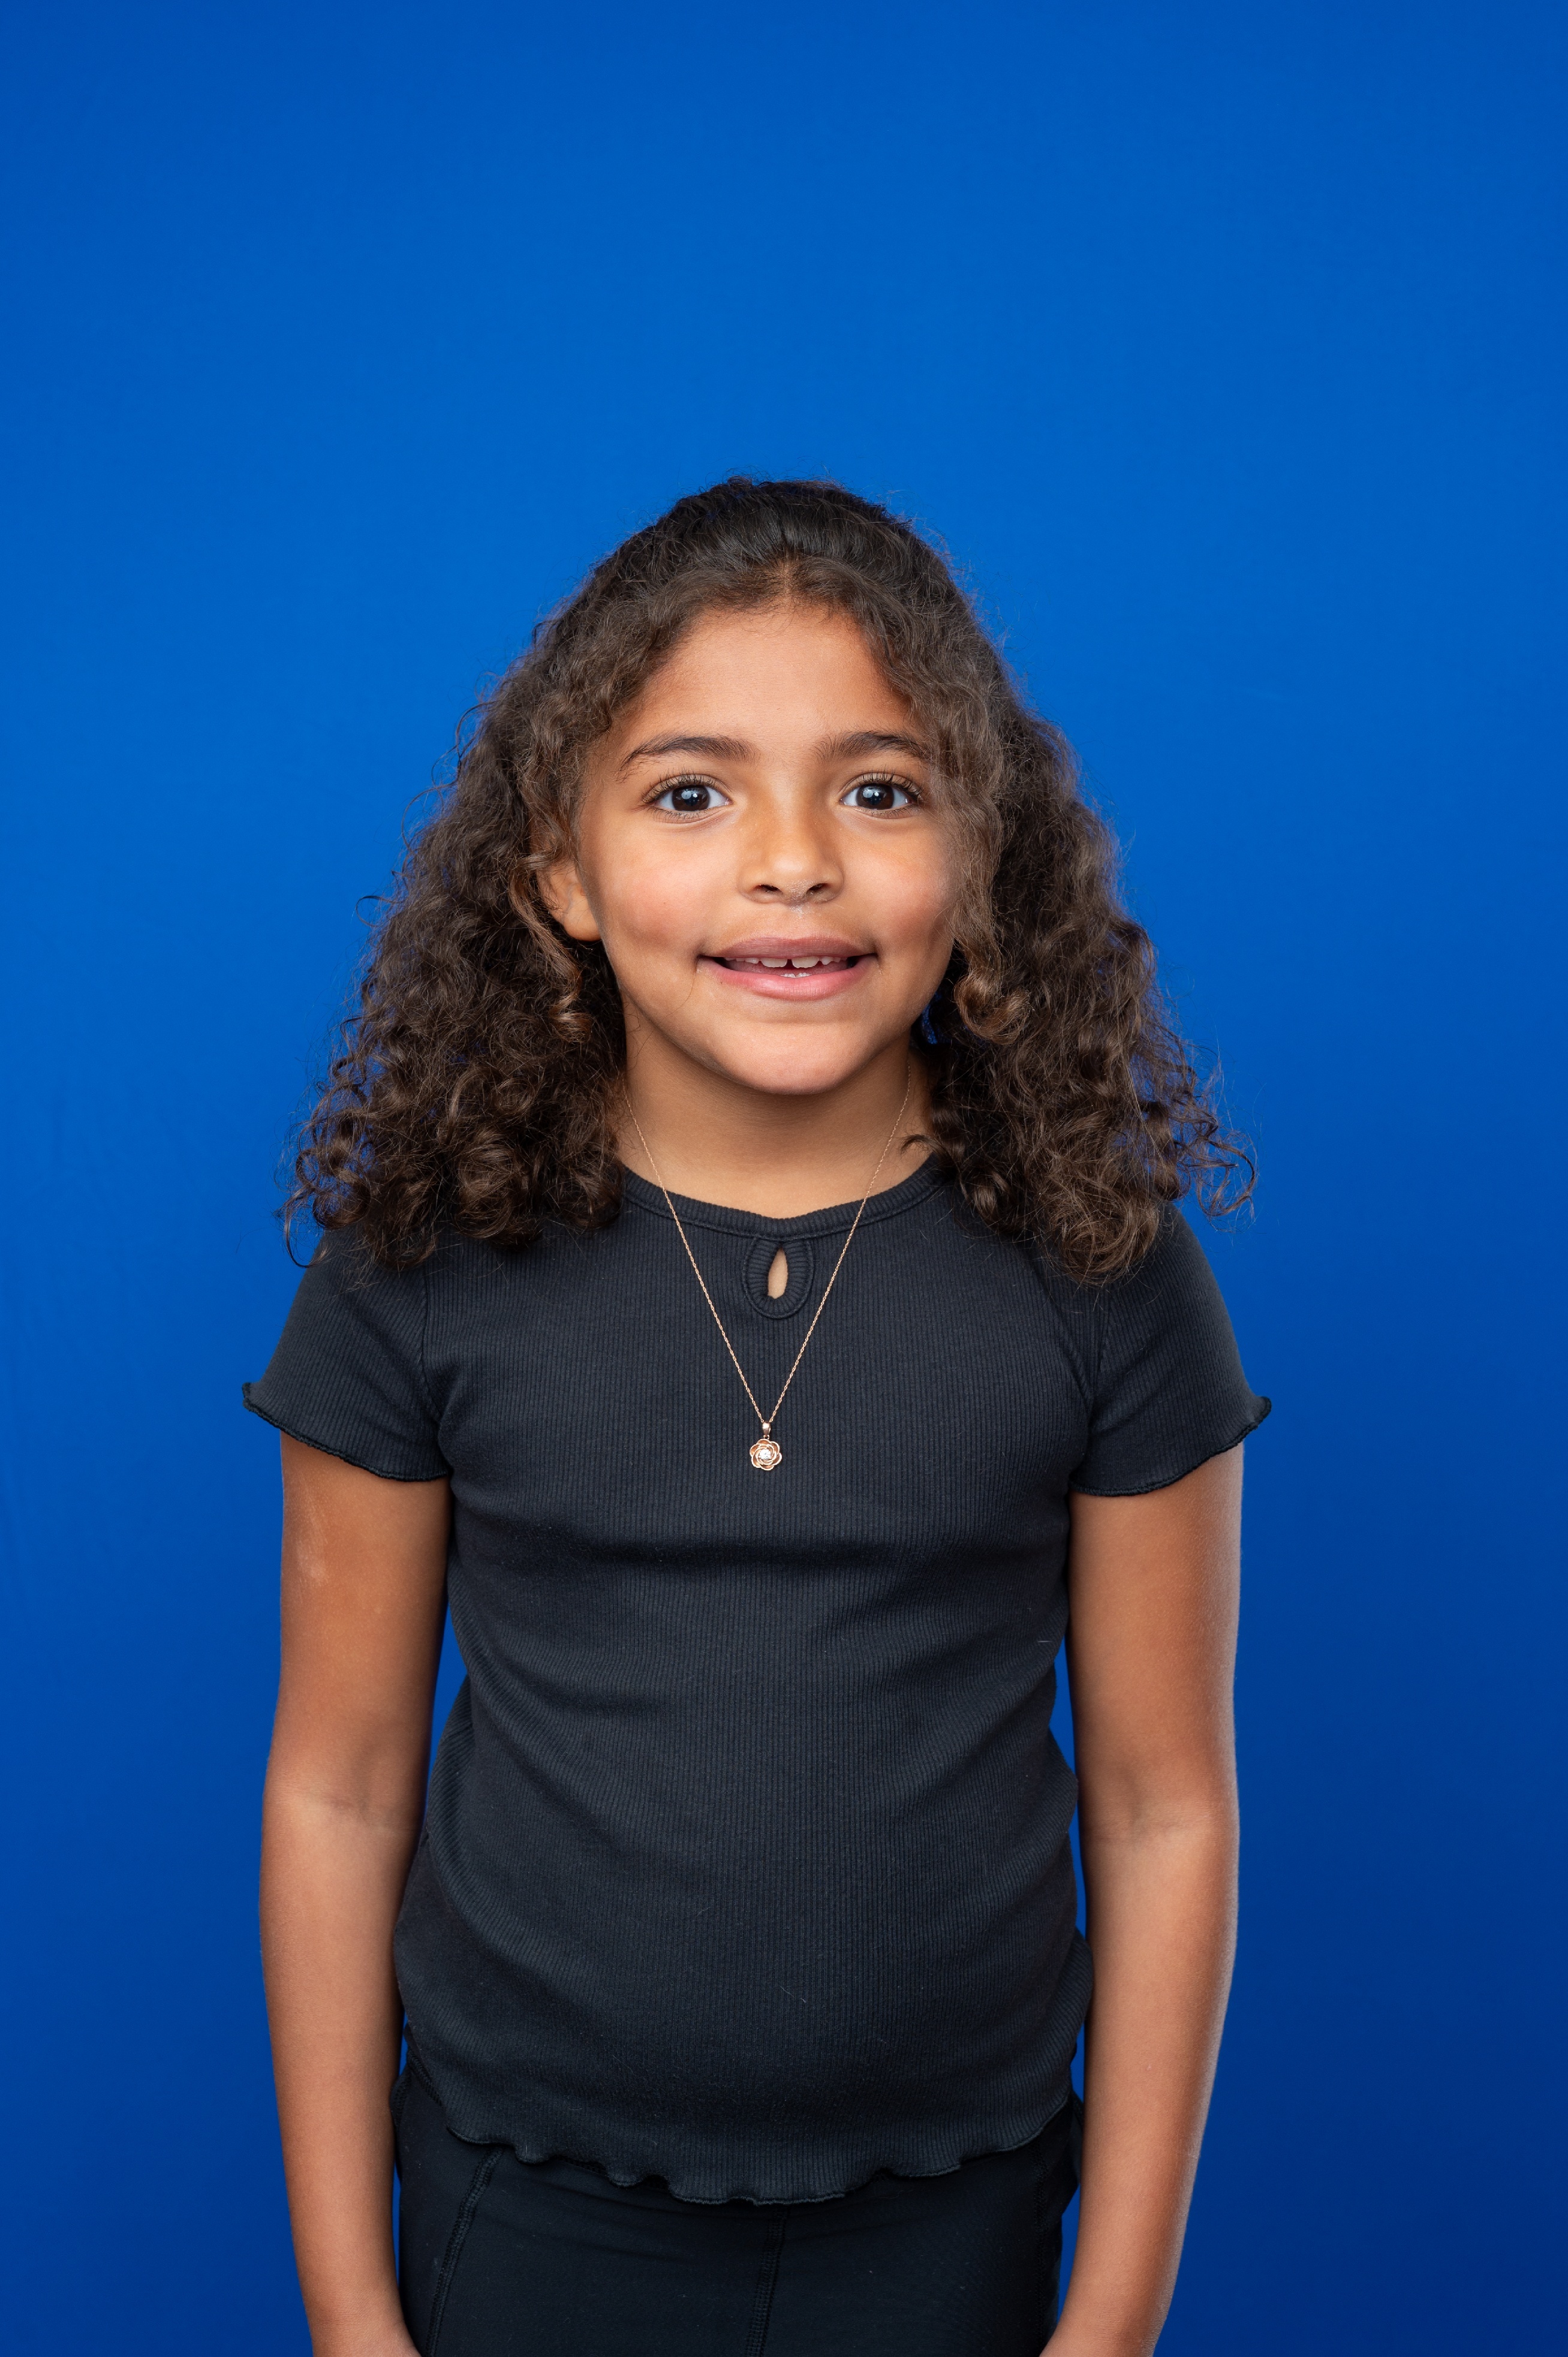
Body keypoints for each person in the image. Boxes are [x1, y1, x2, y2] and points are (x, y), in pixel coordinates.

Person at [248, 477, 1267, 2357]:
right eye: (691, 794)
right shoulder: (422, 1263)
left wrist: (1112, 2321)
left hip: (955, 2213)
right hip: (526, 2203)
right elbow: (338, 1782)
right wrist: (347, 2308)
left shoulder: (1103, 1268)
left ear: (983, 855)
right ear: (558, 872)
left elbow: (1161, 1804)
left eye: (879, 790)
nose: (793, 862)